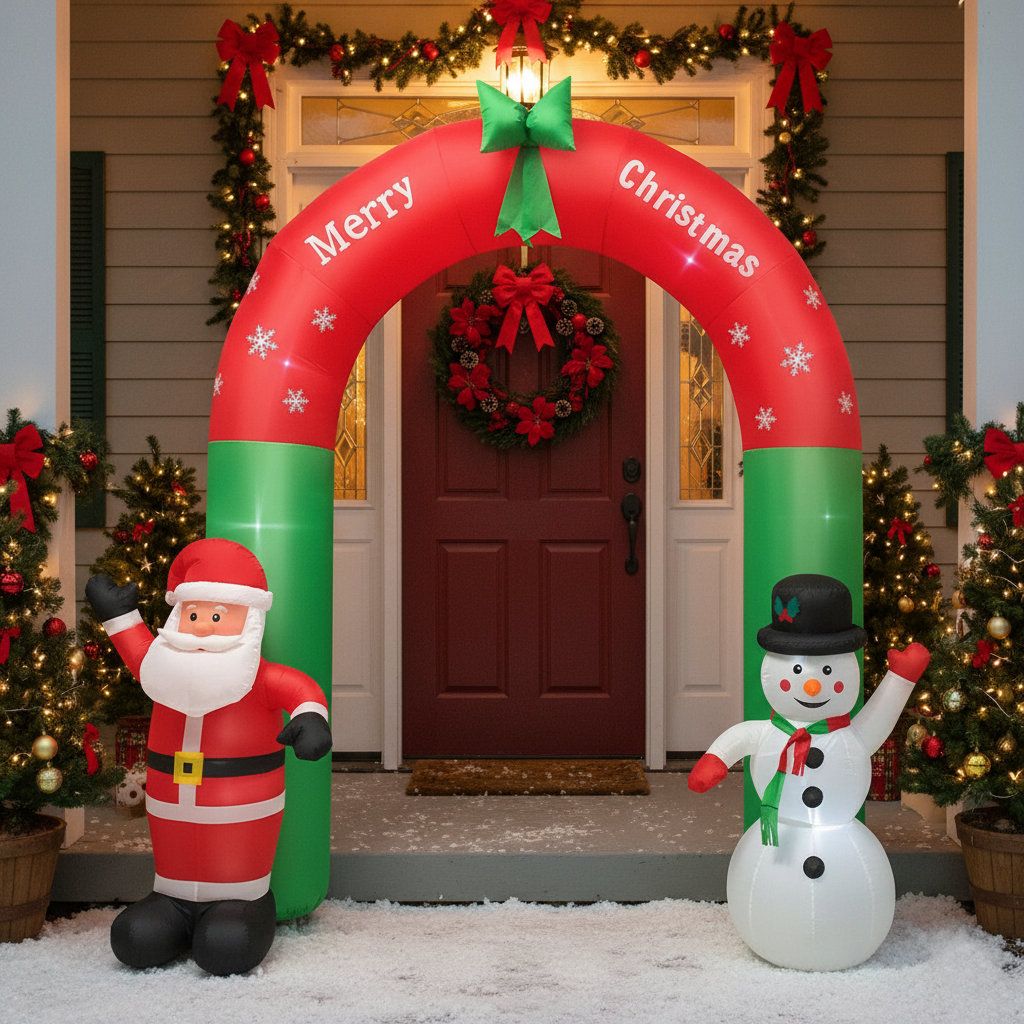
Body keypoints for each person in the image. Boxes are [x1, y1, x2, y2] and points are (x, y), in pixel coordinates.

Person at [86, 537, 332, 975]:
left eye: (216, 617)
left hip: (242, 817)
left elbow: (299, 688)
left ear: (248, 621)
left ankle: (243, 905)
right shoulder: (164, 671)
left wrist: (311, 716)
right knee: (135, 940)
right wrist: (118, 615)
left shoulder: (256, 678)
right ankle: (172, 903)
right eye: (193, 614)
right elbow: (140, 653)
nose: (200, 627)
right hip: (170, 816)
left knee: (226, 945)